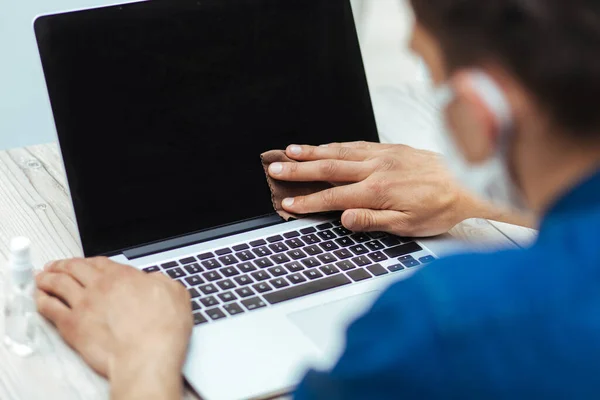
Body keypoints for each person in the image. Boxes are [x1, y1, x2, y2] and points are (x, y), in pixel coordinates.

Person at [35, 0, 600, 398]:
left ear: (482, 112)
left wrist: (143, 359)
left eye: (432, 75)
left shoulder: (447, 322)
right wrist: (472, 192)